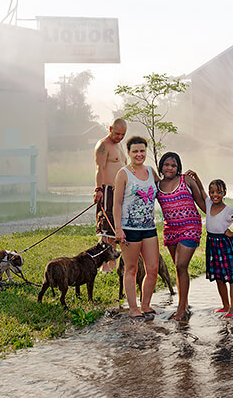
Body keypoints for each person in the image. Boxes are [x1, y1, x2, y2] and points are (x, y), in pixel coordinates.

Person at [113, 136, 161, 320]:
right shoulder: (123, 173)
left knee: (153, 268)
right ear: (129, 153)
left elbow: (162, 190)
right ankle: (133, 309)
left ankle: (146, 305)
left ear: (146, 151)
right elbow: (117, 204)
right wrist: (118, 229)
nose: (139, 154)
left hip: (149, 228)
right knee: (131, 269)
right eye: (135, 151)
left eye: (142, 151)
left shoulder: (151, 171)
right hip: (129, 228)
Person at [156, 152, 205, 321]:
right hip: (170, 230)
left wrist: (199, 182)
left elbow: (203, 204)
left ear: (178, 168)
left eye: (173, 165)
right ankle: (184, 303)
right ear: (161, 166)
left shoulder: (186, 180)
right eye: (167, 165)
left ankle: (181, 310)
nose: (170, 168)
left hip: (190, 226)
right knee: (178, 268)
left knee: (182, 265)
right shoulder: (157, 185)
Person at [205, 178, 233, 318]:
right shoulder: (208, 204)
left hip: (225, 245)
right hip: (212, 243)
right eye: (212, 192)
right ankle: (225, 305)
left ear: (224, 193)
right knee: (219, 277)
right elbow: (199, 190)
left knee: (231, 278)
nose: (215, 195)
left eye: (218, 192)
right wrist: (195, 177)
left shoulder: (229, 210)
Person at [93, 118, 127, 272]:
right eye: (117, 133)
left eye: (123, 134)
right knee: (106, 227)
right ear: (110, 128)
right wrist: (98, 189)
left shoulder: (119, 145)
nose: (119, 137)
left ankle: (114, 263)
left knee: (116, 226)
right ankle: (105, 266)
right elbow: (99, 168)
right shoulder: (103, 145)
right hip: (107, 191)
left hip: (121, 191)